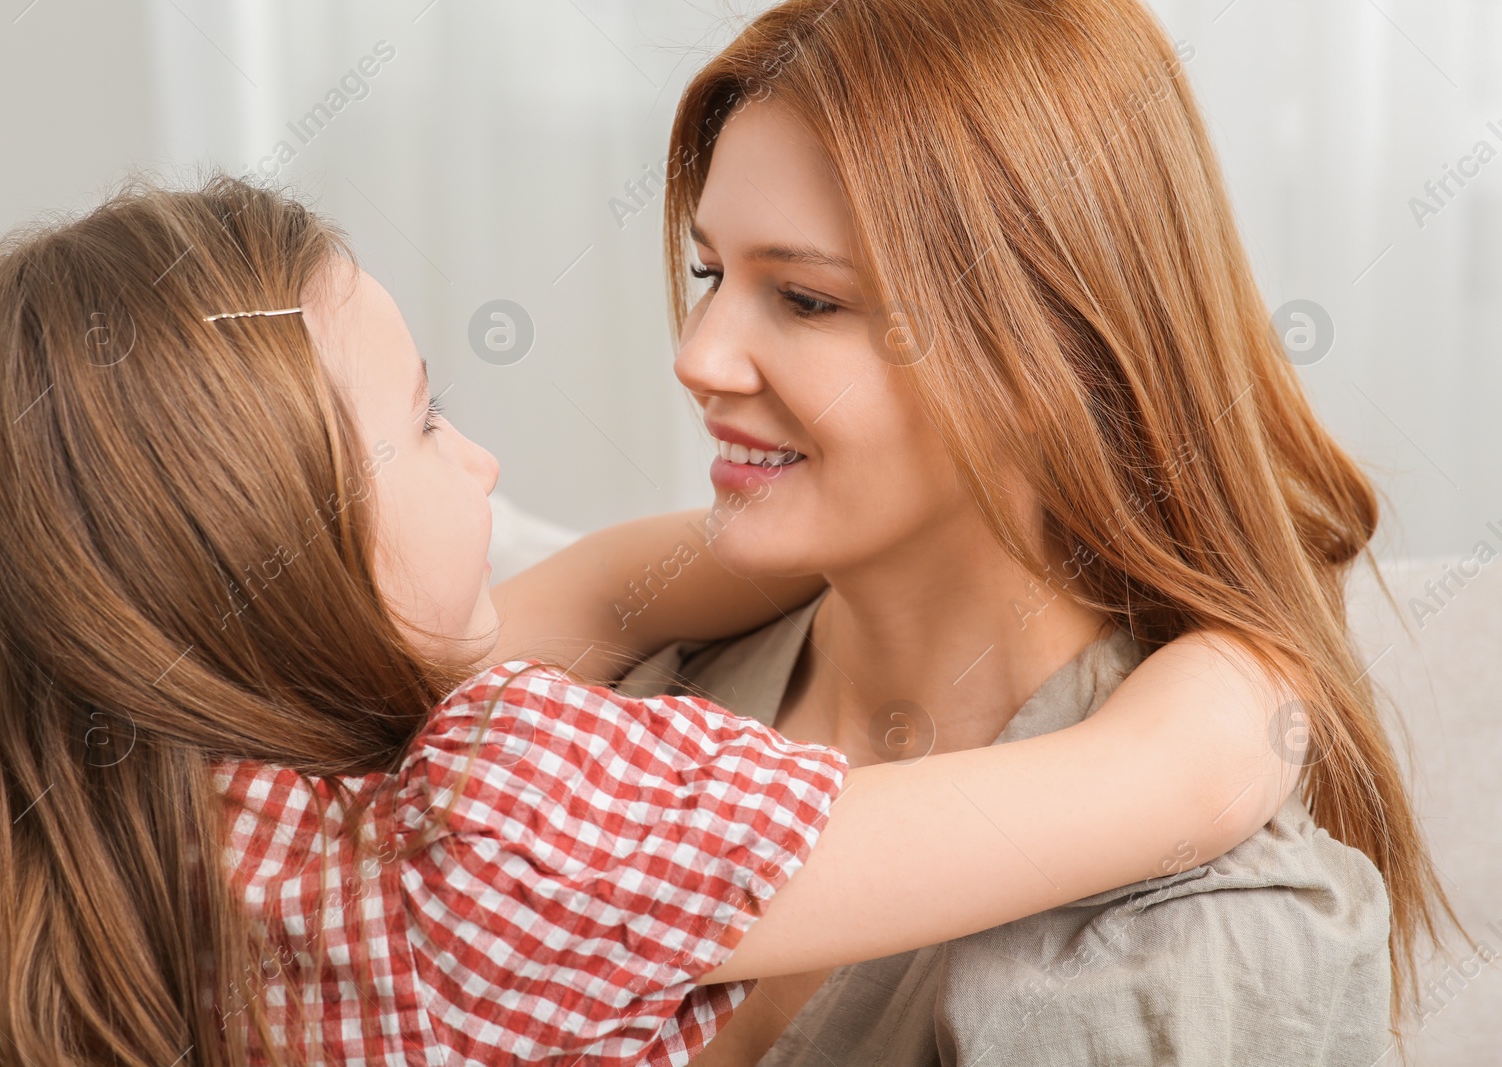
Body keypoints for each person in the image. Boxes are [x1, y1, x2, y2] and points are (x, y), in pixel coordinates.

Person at [0, 176, 1294, 1067]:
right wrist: (1255, 597)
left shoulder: (115, 820)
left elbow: (573, 599)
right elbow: (1185, 776)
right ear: (275, 557)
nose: (484, 465)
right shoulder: (500, 834)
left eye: (800, 295)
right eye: (428, 421)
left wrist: (805, 512)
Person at [620, 0, 1454, 1063]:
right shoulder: (635, 684)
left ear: (1046, 346)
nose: (700, 355)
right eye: (709, 274)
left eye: (804, 298)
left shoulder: (1179, 936)